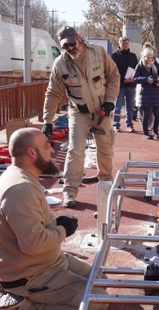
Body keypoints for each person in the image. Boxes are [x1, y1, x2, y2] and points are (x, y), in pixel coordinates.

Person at [0, 128, 105, 309]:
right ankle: (25, 306)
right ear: (31, 153)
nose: (53, 151)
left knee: (100, 280)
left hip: (48, 263)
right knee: (96, 302)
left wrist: (57, 224)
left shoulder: (24, 177)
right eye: (48, 146)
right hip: (27, 275)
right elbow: (34, 244)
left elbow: (34, 225)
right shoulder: (20, 189)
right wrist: (63, 230)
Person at [42, 26, 120, 208]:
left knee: (105, 149)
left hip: (102, 110)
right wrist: (47, 121)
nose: (70, 48)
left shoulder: (98, 53)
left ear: (79, 38)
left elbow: (114, 75)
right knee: (75, 150)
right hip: (78, 111)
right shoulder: (60, 64)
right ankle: (69, 191)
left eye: (71, 43)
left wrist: (110, 101)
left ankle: (106, 187)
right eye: (65, 46)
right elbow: (53, 93)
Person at [134, 47, 159, 139]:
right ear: (144, 57)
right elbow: (134, 79)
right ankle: (146, 133)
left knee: (157, 114)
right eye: (148, 57)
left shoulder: (156, 64)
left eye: (151, 57)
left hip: (155, 92)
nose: (150, 59)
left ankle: (155, 131)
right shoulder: (139, 65)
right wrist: (146, 79)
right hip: (145, 93)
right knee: (146, 114)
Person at [112, 36, 138, 133]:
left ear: (129, 44)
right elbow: (112, 71)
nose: (125, 45)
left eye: (126, 43)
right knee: (117, 106)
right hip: (119, 86)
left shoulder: (133, 56)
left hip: (131, 86)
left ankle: (129, 125)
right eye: (123, 43)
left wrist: (132, 79)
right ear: (119, 44)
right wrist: (122, 79)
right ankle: (116, 125)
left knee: (130, 107)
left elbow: (137, 70)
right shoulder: (114, 56)